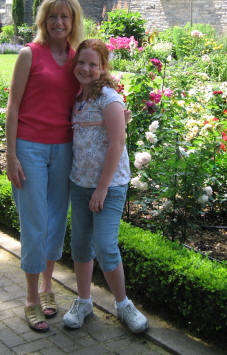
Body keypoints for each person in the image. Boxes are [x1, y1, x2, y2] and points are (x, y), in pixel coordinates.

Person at [6, 0, 85, 333]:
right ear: (43, 20)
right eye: (53, 16)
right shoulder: (29, 55)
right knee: (35, 222)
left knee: (55, 221)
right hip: (30, 149)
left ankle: (48, 286)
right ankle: (30, 298)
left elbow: (96, 89)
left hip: (64, 149)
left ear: (73, 22)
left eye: (65, 17)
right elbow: (12, 108)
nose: (59, 22)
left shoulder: (77, 59)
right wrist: (10, 155)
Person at [62, 39, 149, 334]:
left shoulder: (109, 99)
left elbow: (117, 143)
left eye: (93, 64)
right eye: (82, 62)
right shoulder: (76, 97)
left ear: (102, 68)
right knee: (80, 244)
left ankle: (123, 304)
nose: (86, 69)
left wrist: (101, 189)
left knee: (105, 245)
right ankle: (84, 301)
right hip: (79, 182)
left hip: (108, 187)